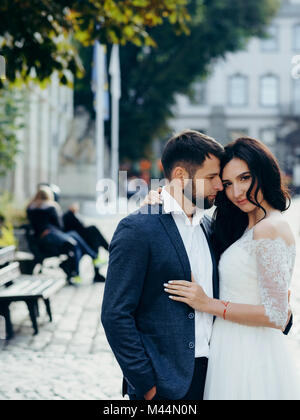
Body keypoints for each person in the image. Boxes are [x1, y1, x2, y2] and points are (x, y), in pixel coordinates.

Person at [162, 137, 300, 400]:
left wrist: (207, 303)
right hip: (228, 346)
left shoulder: (269, 228)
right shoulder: (242, 227)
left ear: (263, 172)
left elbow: (278, 315)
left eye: (245, 178)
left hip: (251, 353)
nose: (236, 192)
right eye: (227, 183)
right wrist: (162, 196)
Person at [101, 130, 225, 400]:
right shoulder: (138, 228)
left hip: (214, 377)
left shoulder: (208, 227)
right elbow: (115, 314)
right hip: (164, 384)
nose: (220, 185)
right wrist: (146, 385)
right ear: (181, 176)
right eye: (211, 177)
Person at [26, 186, 99, 284]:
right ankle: (84, 266)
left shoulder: (30, 207)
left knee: (74, 237)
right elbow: (60, 226)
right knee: (74, 244)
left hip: (40, 241)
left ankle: (91, 259)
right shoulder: (52, 206)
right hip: (52, 237)